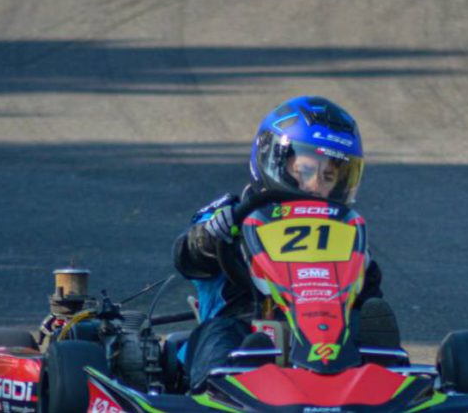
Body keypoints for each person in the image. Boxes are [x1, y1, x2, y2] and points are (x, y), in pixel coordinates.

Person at [171, 96, 399, 389]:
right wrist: (208, 238)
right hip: (246, 328)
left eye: (328, 176)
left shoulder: (343, 230)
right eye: (305, 170)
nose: (315, 185)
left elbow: (370, 293)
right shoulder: (229, 213)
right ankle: (219, 390)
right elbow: (186, 258)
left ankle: (387, 379)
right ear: (274, 160)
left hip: (326, 336)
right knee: (221, 333)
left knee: (360, 322)